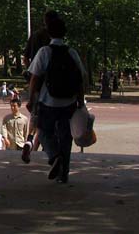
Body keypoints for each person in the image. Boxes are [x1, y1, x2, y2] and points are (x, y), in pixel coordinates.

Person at [27, 14, 87, 184]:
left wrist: (31, 99)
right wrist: (80, 99)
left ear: (49, 33)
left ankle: (54, 156)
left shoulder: (44, 52)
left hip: (48, 101)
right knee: (66, 137)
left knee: (44, 132)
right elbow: (80, 78)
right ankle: (64, 173)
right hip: (69, 102)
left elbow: (35, 78)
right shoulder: (72, 52)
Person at [21, 10, 57, 163]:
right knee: (54, 120)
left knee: (36, 116)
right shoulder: (55, 40)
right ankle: (51, 152)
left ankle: (30, 140)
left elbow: (25, 57)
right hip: (54, 85)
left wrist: (30, 70)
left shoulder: (35, 36)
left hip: (37, 83)